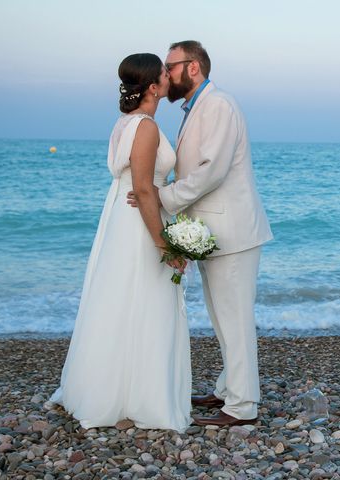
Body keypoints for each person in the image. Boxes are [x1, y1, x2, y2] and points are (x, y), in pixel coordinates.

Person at [128, 41, 273, 427]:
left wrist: (161, 198)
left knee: (235, 319)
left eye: (170, 66)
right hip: (214, 230)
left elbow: (212, 170)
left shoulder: (219, 104)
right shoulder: (197, 107)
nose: (166, 73)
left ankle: (242, 407)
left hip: (234, 231)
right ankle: (228, 389)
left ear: (192, 67)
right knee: (222, 316)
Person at [51, 53, 191, 432]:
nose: (168, 75)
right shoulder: (144, 127)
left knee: (121, 302)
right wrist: (165, 245)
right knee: (142, 301)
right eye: (164, 72)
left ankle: (110, 388)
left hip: (122, 217)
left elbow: (138, 186)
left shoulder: (126, 122)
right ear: (152, 87)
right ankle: (134, 397)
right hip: (139, 224)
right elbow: (143, 190)